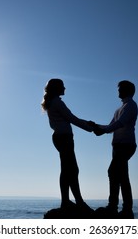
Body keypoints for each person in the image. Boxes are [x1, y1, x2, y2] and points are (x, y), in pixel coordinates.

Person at [41, 79, 93, 212]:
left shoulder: (53, 101)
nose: (65, 88)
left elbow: (70, 118)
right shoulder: (57, 102)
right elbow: (72, 118)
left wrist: (88, 125)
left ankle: (67, 201)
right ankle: (77, 202)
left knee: (67, 170)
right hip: (64, 139)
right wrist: (90, 127)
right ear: (57, 88)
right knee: (72, 170)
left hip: (61, 138)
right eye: (62, 86)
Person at [92, 80, 138, 219]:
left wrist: (102, 130)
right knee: (121, 176)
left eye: (120, 89)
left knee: (114, 173)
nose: (118, 91)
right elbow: (111, 126)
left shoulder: (131, 105)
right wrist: (97, 126)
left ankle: (116, 207)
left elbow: (119, 124)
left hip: (126, 145)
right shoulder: (120, 108)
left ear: (127, 90)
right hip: (118, 146)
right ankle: (121, 208)